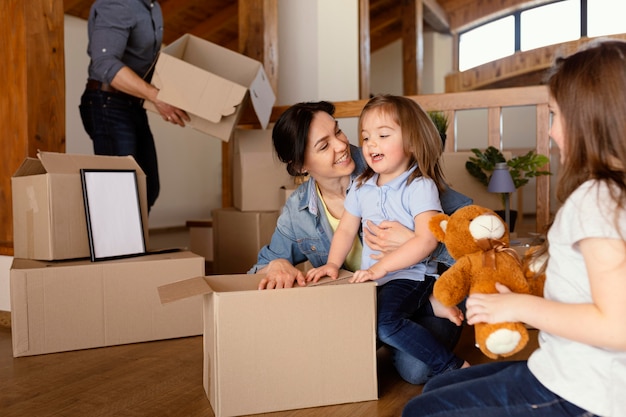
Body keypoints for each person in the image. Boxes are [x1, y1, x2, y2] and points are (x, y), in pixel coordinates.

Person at [402, 39, 626, 417]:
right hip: (567, 370)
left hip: (585, 393)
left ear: (589, 117)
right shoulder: (610, 194)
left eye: (556, 115)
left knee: (420, 412)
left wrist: (517, 305)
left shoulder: (599, 200)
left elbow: (617, 326)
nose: (552, 133)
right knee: (438, 385)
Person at [249, 100, 472, 384]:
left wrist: (419, 242)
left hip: (417, 280)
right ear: (300, 166)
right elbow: (263, 265)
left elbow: (475, 235)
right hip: (371, 293)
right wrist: (279, 264)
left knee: (418, 370)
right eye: (323, 145)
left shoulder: (393, 165)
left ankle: (434, 319)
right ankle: (416, 312)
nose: (342, 145)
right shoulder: (306, 209)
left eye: (338, 132)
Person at [79, 0, 190, 211]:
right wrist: (156, 96)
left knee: (148, 188)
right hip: (107, 104)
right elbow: (104, 63)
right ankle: (117, 245)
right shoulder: (117, 4)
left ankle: (135, 244)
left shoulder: (151, 7)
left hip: (132, 104)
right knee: (121, 190)